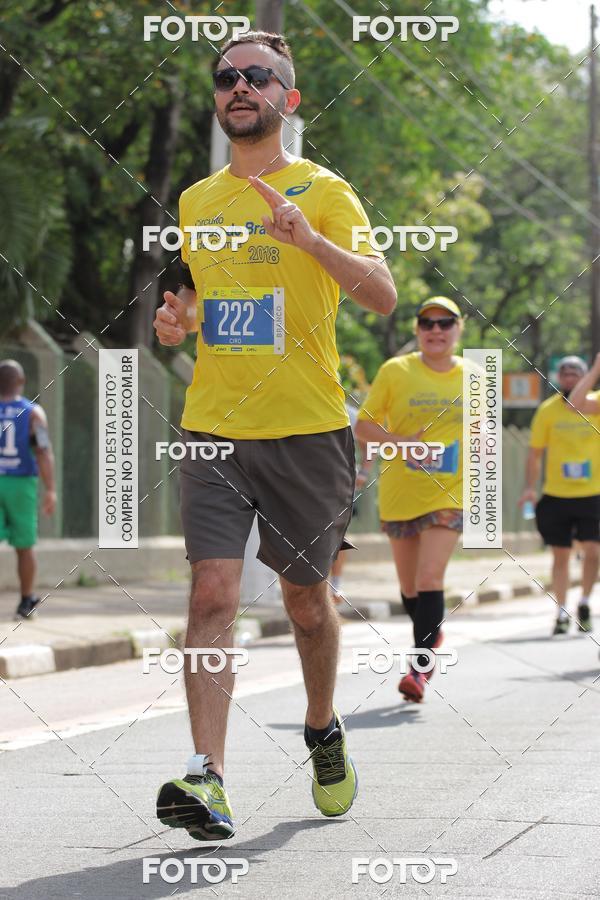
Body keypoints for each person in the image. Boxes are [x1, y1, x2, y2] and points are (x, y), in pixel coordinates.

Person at [152, 31, 396, 841]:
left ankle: (322, 728)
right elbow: (197, 305)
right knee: (212, 594)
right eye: (226, 78)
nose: (239, 86)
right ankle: (208, 778)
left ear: (288, 99)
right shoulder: (197, 201)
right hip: (215, 428)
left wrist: (308, 240)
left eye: (259, 76)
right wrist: (175, 322)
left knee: (304, 602)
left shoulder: (327, 192)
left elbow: (383, 296)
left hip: (309, 430)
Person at [355, 297, 464, 703]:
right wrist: (399, 442)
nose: (436, 330)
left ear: (459, 328)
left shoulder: (475, 377)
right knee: (410, 589)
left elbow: (486, 435)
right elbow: (363, 426)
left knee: (429, 578)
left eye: (445, 322)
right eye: (427, 322)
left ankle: (418, 669)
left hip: (451, 492)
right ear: (418, 330)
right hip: (401, 491)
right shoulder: (395, 371)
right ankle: (431, 632)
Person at [520, 356, 600, 635]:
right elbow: (535, 454)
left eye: (575, 372)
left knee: (593, 551)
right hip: (557, 494)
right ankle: (562, 611)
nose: (569, 377)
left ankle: (586, 602)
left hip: (593, 493)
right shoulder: (547, 410)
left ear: (585, 374)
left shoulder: (596, 403)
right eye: (564, 372)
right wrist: (530, 487)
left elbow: (578, 403)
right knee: (561, 555)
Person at [0, 360, 56, 620]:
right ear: (21, 383)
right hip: (21, 482)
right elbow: (43, 450)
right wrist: (50, 489)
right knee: (25, 545)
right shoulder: (33, 413)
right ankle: (25, 602)